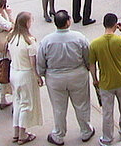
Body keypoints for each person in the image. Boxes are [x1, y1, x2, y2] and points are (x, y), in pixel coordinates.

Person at [37, 10, 95, 145]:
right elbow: (87, 55)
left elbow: (41, 61)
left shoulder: (47, 41)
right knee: (82, 104)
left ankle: (58, 134)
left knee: (59, 107)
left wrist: (42, 74)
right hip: (77, 75)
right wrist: (87, 67)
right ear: (68, 21)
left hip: (55, 77)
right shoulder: (79, 37)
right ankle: (86, 130)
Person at [89, 14, 121, 145]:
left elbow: (92, 64)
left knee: (107, 112)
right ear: (116, 25)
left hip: (106, 83)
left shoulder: (95, 44)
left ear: (104, 24)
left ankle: (107, 138)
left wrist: (95, 79)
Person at [8, 12, 43, 145]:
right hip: (25, 73)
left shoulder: (11, 38)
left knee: (17, 102)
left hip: (14, 71)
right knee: (27, 104)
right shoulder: (29, 40)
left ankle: (16, 132)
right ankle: (23, 134)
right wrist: (37, 76)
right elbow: (33, 62)